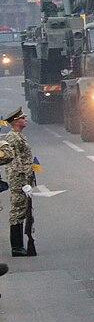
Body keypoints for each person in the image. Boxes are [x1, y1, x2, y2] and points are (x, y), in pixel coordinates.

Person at [0, 109, 37, 257]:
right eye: (23, 117)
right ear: (15, 121)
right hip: (18, 179)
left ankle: (20, 245)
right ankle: (16, 246)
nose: (25, 119)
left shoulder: (18, 136)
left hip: (23, 178)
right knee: (17, 211)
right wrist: (23, 183)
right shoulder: (13, 138)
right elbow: (14, 161)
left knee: (23, 210)